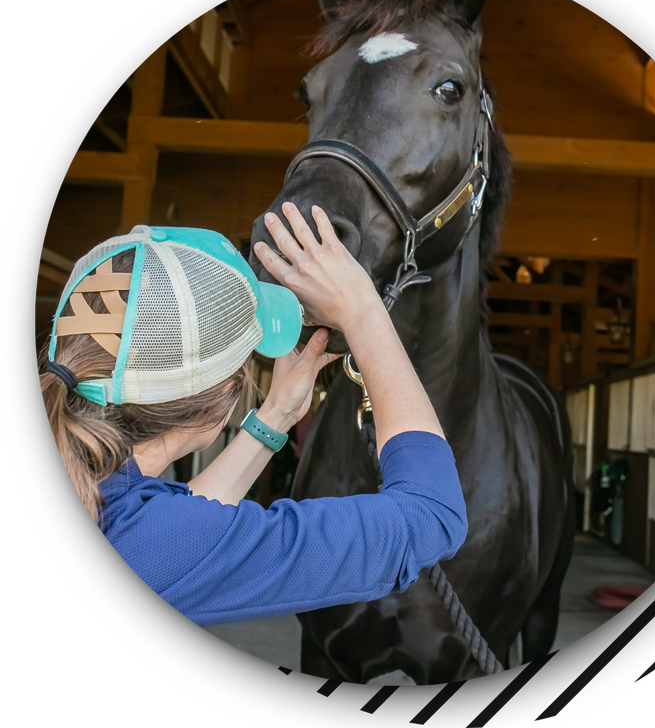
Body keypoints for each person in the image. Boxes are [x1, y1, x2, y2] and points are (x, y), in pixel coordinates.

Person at [38, 203, 467, 626]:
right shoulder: (148, 538)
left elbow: (180, 528)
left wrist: (277, 414)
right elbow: (431, 513)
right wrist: (364, 312)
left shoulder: (117, 500)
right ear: (219, 399)